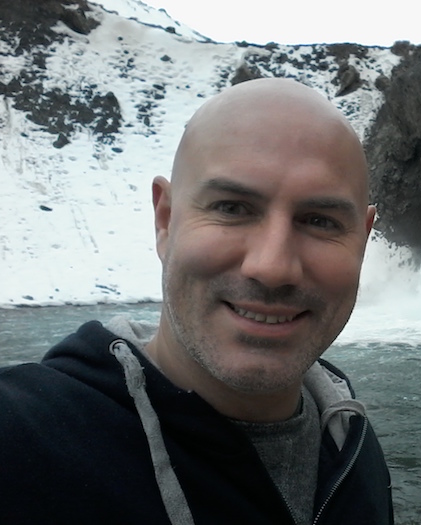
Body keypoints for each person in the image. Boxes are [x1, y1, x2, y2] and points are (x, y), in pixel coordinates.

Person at [0, 78, 393, 524]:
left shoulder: (351, 441)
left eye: (319, 220)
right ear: (165, 220)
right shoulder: (20, 438)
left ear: (362, 239)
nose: (272, 266)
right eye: (232, 208)